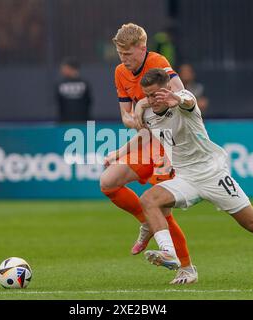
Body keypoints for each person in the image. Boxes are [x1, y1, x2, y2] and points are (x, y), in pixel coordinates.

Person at [134, 68, 253, 283]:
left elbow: (187, 100)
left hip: (213, 174)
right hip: (185, 177)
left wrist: (175, 97)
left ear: (167, 88)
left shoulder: (183, 102)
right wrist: (139, 107)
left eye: (156, 94)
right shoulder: (147, 112)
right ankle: (169, 253)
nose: (152, 99)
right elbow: (141, 130)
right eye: (148, 95)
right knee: (148, 200)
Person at [100, 23, 197, 284]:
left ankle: (187, 268)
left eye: (129, 54)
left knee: (162, 210)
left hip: (171, 144)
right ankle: (146, 222)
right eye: (120, 54)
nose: (124, 60)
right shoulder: (120, 72)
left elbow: (180, 94)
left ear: (142, 49)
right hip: (147, 140)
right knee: (108, 183)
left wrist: (143, 103)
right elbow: (126, 118)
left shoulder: (157, 61)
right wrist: (137, 120)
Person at [56, 57, 92, 122]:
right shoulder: (60, 84)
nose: (62, 70)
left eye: (64, 68)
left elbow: (88, 102)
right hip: (65, 123)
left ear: (70, 68)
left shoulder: (84, 84)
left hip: (82, 122)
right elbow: (59, 103)